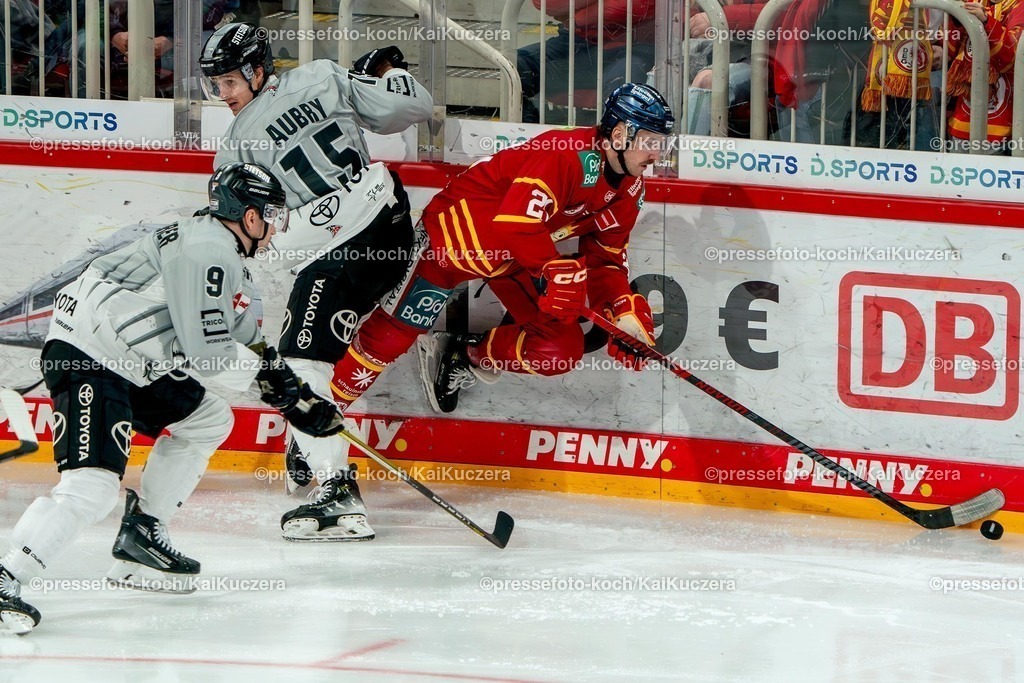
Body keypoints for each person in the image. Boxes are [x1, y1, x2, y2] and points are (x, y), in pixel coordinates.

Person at [0, 162, 346, 635]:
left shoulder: (220, 251)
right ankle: (8, 576)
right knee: (93, 488)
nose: (275, 227)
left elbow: (249, 346)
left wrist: (298, 396)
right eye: (272, 214)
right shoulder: (206, 251)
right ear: (249, 217)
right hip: (90, 357)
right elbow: (208, 355)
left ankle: (142, 532)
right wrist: (282, 395)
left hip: (128, 358)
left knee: (208, 419)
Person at [199, 23, 433, 541]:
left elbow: (239, 228)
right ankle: (312, 441)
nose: (224, 96)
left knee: (302, 360)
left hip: (341, 252)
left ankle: (338, 493)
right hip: (391, 222)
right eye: (215, 85)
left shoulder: (236, 148)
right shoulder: (323, 75)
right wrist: (383, 73)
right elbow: (414, 108)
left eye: (230, 83)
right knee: (309, 348)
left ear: (258, 71)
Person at [321, 83, 670, 430]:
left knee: (558, 349)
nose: (658, 154)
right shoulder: (566, 156)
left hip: (516, 257)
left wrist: (622, 308)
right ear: (622, 134)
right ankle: (318, 418)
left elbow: (605, 259)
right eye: (651, 142)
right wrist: (551, 269)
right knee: (392, 335)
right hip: (455, 239)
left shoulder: (631, 188)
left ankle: (464, 353)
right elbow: (516, 223)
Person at [518, 0, 656, 124]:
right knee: (516, 65)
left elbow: (627, 8)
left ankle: (611, 139)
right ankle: (526, 134)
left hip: (634, 45)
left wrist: (580, 14)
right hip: (576, 40)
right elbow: (547, 3)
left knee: (624, 84)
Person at [945, 0, 1024, 155]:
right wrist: (956, 20)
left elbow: (1013, 55)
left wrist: (986, 20)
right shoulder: (973, 2)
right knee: (957, 173)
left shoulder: (1020, 7)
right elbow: (950, 48)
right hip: (963, 116)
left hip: (1004, 121)